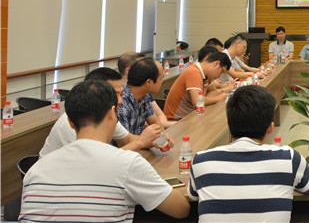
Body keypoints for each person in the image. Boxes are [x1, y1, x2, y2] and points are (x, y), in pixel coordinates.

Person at [22, 80, 190, 222]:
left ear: (71, 122)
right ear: (112, 114)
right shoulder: (127, 164)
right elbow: (181, 210)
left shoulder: (35, 171)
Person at [188, 85, 309, 221]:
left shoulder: (200, 161)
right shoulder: (288, 158)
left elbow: (193, 196)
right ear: (270, 127)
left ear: (228, 125)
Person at [39, 68, 169, 157]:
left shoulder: (106, 113)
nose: (120, 101)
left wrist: (154, 140)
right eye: (114, 94)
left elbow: (127, 139)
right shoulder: (74, 121)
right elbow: (94, 161)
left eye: (121, 94)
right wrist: (140, 142)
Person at [163, 50, 232, 120]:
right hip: (177, 120)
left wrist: (208, 99)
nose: (219, 76)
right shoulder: (194, 72)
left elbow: (213, 91)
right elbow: (197, 101)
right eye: (221, 72)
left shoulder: (207, 75)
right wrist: (217, 99)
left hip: (191, 115)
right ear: (216, 64)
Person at [118, 52, 174, 128]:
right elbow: (126, 136)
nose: (162, 82)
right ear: (148, 82)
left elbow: (155, 122)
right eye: (161, 79)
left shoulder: (144, 95)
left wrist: (164, 134)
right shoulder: (122, 102)